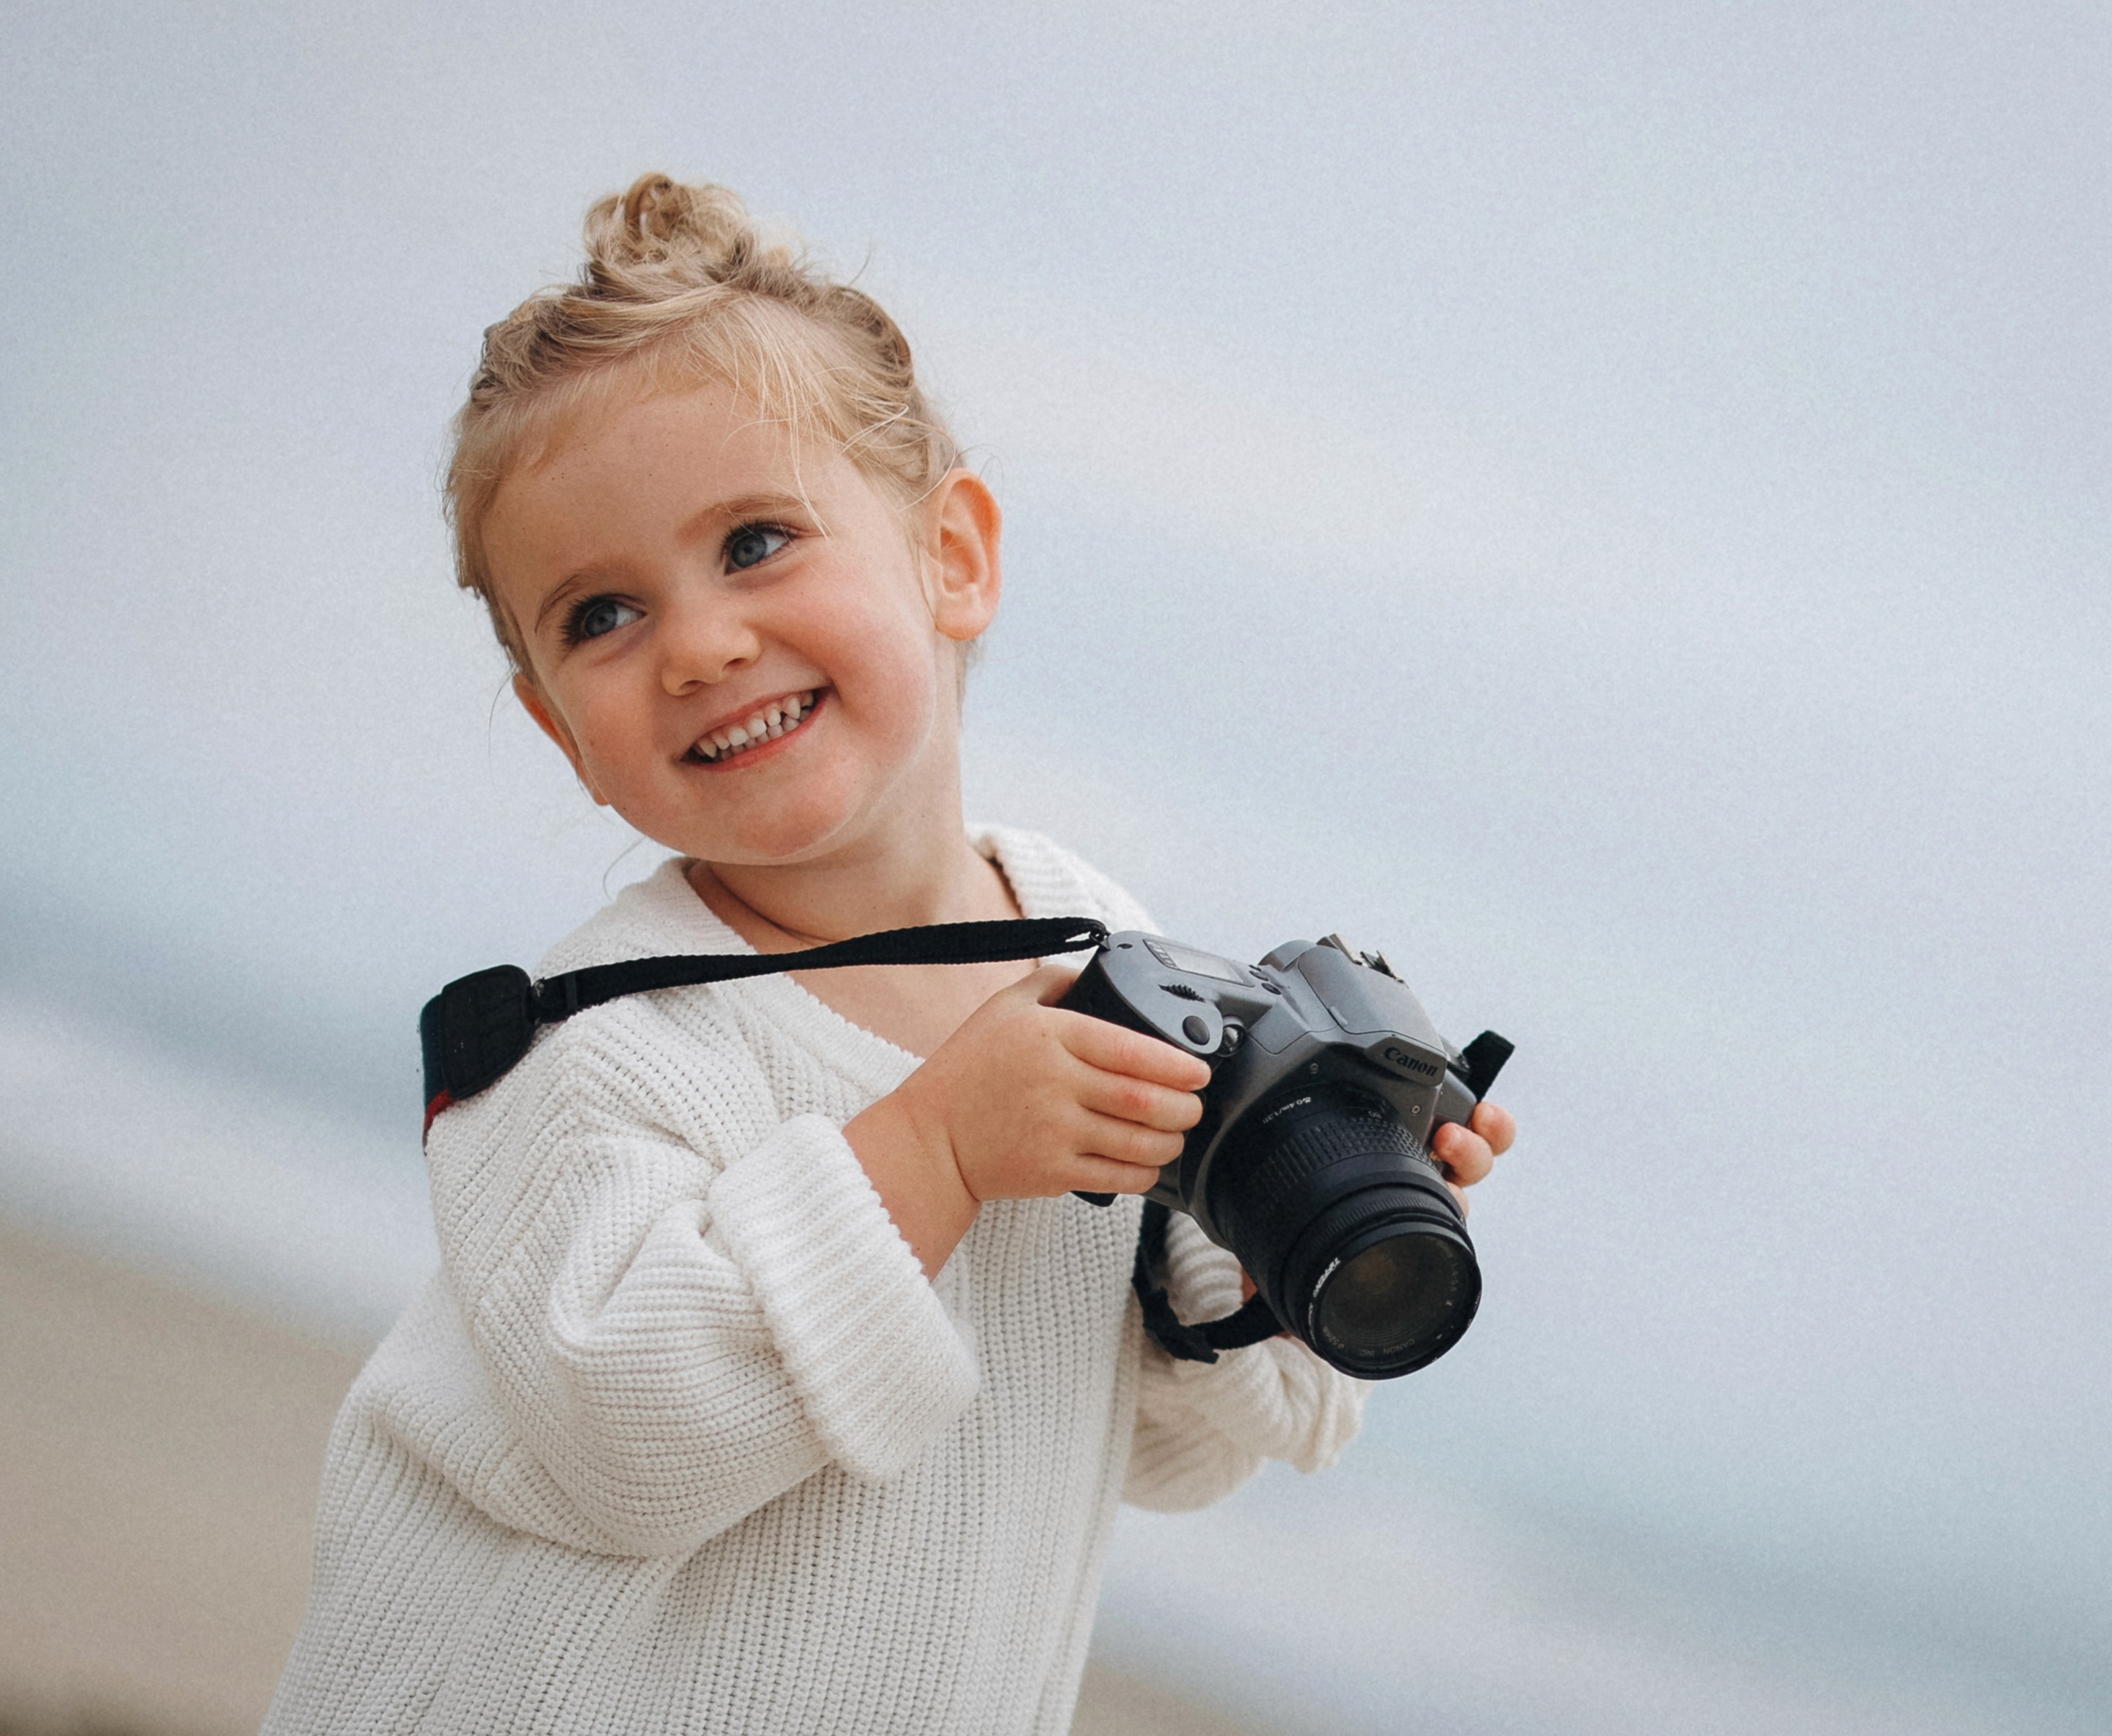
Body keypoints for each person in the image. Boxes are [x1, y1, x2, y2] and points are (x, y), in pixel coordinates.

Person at [263, 173, 1512, 1735]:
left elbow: (1155, 1443)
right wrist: (928, 1147)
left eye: (759, 540)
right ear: (556, 725)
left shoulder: (1103, 961)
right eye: (601, 615)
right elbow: (625, 1438)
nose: (700, 643)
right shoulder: (585, 1056)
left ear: (952, 557)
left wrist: (1309, 1204)